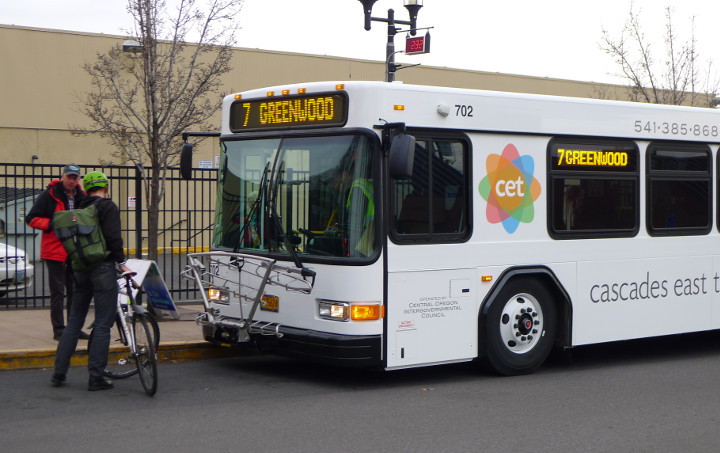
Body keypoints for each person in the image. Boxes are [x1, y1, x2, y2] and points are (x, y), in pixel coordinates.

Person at [51, 171, 132, 391]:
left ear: (85, 189)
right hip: (102, 268)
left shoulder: (80, 208)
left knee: (75, 320)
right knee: (104, 323)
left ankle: (59, 373)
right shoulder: (107, 206)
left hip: (80, 270)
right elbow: (114, 238)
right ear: (106, 187)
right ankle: (96, 377)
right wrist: (121, 261)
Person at [26, 163, 90, 340]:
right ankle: (59, 330)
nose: (71, 181)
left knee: (74, 292)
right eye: (69, 177)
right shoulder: (50, 195)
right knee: (58, 292)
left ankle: (74, 328)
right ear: (62, 176)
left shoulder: (81, 196)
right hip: (55, 251)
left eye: (75, 178)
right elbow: (31, 219)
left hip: (75, 251)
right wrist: (51, 224)